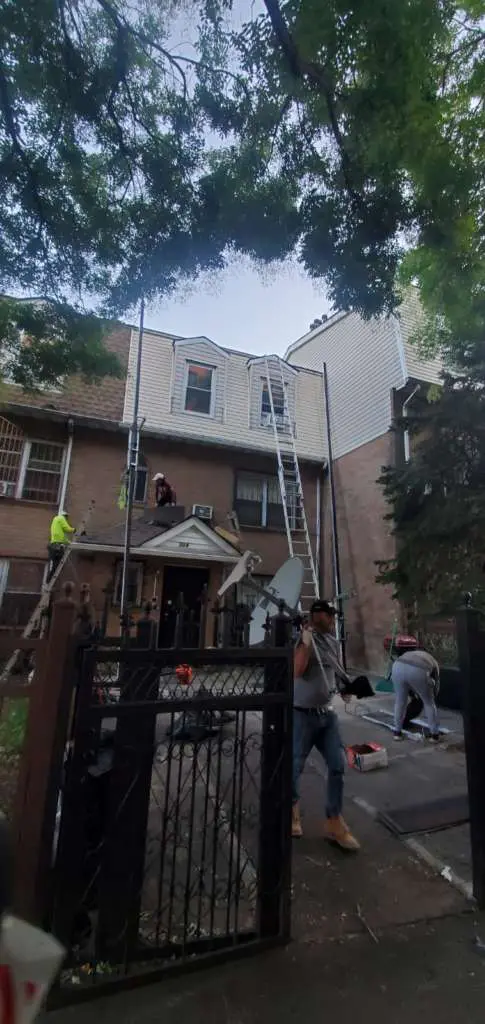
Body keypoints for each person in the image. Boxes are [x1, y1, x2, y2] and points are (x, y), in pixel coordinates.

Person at [292, 599, 360, 851]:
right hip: (302, 715)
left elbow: (334, 669)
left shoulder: (332, 641)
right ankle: (292, 811)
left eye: (330, 617)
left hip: (326, 715)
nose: (331, 621)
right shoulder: (303, 641)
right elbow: (297, 670)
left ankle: (333, 821)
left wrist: (345, 688)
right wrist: (306, 641)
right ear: (321, 618)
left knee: (337, 765)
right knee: (294, 766)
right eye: (328, 617)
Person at [392, 641, 440, 741]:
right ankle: (434, 735)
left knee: (400, 701)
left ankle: (397, 733)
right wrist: (428, 695)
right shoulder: (434, 662)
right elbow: (435, 685)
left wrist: (414, 695)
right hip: (418, 669)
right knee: (429, 703)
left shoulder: (413, 653)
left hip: (397, 665)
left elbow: (409, 682)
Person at [47, 509, 75, 582]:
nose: (66, 519)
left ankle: (48, 581)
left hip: (52, 546)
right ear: (65, 515)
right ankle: (50, 580)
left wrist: (68, 542)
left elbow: (62, 537)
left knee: (55, 566)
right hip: (57, 547)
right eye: (66, 517)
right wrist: (74, 530)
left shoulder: (55, 521)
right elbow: (67, 528)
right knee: (58, 565)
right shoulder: (61, 518)